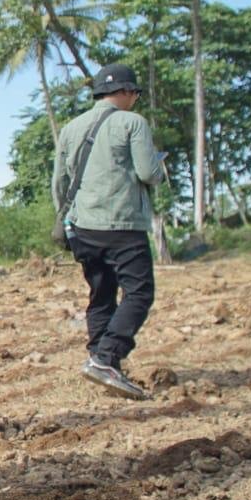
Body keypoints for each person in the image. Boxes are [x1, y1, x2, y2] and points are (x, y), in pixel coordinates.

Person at [52, 63, 165, 400]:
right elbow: (147, 171)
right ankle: (107, 357)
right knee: (139, 292)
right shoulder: (133, 122)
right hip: (121, 224)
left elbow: (59, 181)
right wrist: (160, 168)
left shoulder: (72, 127)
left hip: (83, 226)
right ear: (128, 92)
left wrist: (68, 215)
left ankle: (97, 358)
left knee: (101, 294)